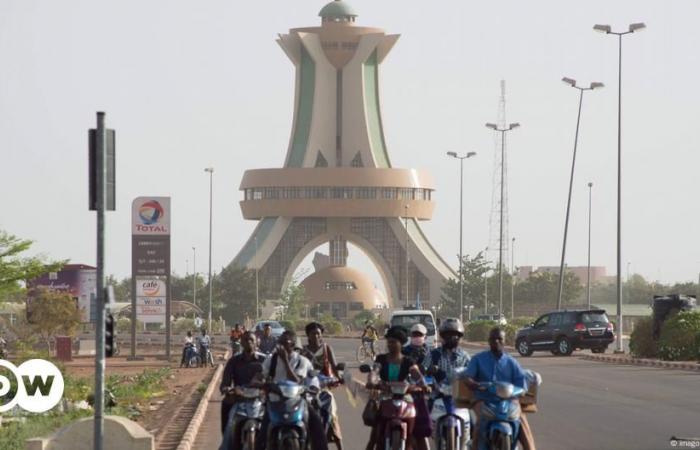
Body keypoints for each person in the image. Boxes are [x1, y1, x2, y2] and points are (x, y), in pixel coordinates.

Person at [464, 327, 536, 450]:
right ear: (489, 341)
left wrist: (521, 390)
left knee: (522, 420)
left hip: (509, 401)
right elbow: (468, 377)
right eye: (493, 339)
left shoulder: (511, 362)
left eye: (499, 339)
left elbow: (521, 382)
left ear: (504, 341)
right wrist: (474, 385)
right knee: (480, 421)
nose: (496, 341)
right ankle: (476, 446)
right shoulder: (478, 359)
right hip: (484, 399)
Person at [256, 330, 328, 450]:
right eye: (280, 343)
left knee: (317, 425)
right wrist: (259, 380)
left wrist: (285, 361)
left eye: (285, 343)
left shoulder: (302, 361)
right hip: (275, 401)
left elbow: (297, 380)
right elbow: (262, 374)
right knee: (262, 433)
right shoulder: (272, 359)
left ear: (293, 345)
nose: (281, 346)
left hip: (298, 401)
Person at [365, 326, 424, 450]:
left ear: (401, 344)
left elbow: (416, 373)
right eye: (389, 342)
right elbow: (375, 371)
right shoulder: (381, 359)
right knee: (374, 436)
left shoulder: (408, 361)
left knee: (418, 427)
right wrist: (372, 380)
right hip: (384, 395)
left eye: (393, 342)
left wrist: (423, 385)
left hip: (404, 396)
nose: (390, 345)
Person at [424, 318, 471, 450]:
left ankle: (471, 443)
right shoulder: (433, 355)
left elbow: (474, 374)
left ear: (460, 337)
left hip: (460, 398)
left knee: (476, 422)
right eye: (448, 334)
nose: (452, 338)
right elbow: (423, 372)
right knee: (421, 423)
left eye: (456, 335)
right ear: (443, 336)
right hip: (437, 396)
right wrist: (427, 380)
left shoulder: (465, 356)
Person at [219, 331, 266, 449]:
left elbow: (273, 377)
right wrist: (228, 389)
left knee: (275, 421)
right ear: (241, 342)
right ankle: (226, 444)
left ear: (256, 342)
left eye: (251, 340)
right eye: (246, 340)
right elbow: (225, 382)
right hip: (239, 399)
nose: (249, 342)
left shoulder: (264, 360)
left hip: (261, 399)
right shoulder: (233, 361)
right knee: (229, 419)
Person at [302, 322, 343, 450]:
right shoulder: (303, 351)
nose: (316, 336)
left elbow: (335, 367)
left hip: (324, 387)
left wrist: (340, 377)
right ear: (308, 335)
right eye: (313, 333)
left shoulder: (326, 348)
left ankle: (339, 444)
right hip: (308, 389)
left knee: (332, 414)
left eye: (318, 333)